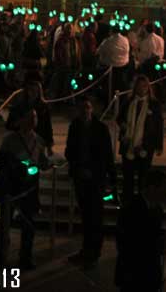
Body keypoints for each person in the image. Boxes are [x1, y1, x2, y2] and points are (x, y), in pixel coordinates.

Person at [0, 108, 51, 270]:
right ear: (20, 120)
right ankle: (1, 259)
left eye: (35, 117)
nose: (32, 120)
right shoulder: (10, 139)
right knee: (5, 226)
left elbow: (42, 162)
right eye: (29, 117)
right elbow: (1, 159)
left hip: (29, 187)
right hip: (12, 187)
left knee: (28, 224)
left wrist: (48, 163)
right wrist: (17, 165)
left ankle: (25, 258)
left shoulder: (39, 140)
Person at [65, 96, 116, 269]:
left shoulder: (101, 128)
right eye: (82, 108)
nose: (85, 111)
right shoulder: (75, 127)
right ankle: (87, 249)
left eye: (87, 107)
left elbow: (107, 155)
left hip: (95, 178)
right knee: (86, 215)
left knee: (96, 215)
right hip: (81, 176)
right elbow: (69, 151)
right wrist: (78, 168)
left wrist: (109, 178)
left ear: (92, 109)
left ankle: (94, 250)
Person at [115, 169, 166, 292]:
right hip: (133, 273)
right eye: (163, 188)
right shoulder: (131, 208)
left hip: (150, 273)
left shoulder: (157, 209)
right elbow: (127, 242)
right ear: (151, 188)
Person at [116, 75, 164, 202]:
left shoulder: (153, 104)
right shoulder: (129, 102)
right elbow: (119, 118)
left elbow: (159, 125)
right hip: (128, 143)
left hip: (145, 145)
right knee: (128, 177)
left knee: (143, 177)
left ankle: (142, 203)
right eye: (139, 86)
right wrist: (124, 125)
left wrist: (159, 145)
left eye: (144, 86)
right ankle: (128, 202)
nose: (142, 89)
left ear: (148, 88)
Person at [8, 78, 53, 152]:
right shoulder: (18, 107)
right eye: (31, 90)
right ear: (27, 91)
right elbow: (9, 125)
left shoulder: (43, 107)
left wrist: (49, 145)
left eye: (36, 91)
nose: (33, 93)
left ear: (39, 92)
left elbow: (47, 126)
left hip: (38, 141)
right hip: (22, 141)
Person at [99, 26, 132, 94]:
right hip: (124, 66)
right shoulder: (125, 40)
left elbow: (100, 51)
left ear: (111, 31)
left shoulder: (108, 41)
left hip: (112, 68)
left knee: (111, 86)